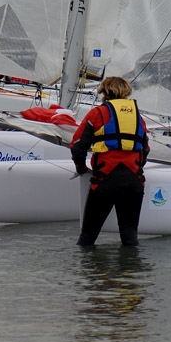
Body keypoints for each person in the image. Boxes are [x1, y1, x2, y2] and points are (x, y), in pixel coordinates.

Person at [70, 75, 149, 247]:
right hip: (134, 182)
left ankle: (87, 274)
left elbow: (77, 147)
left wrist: (81, 168)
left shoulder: (97, 113)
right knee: (130, 236)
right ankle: (131, 272)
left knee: (87, 238)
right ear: (127, 92)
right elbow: (145, 150)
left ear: (104, 91)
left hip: (105, 181)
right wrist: (136, 169)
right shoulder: (138, 117)